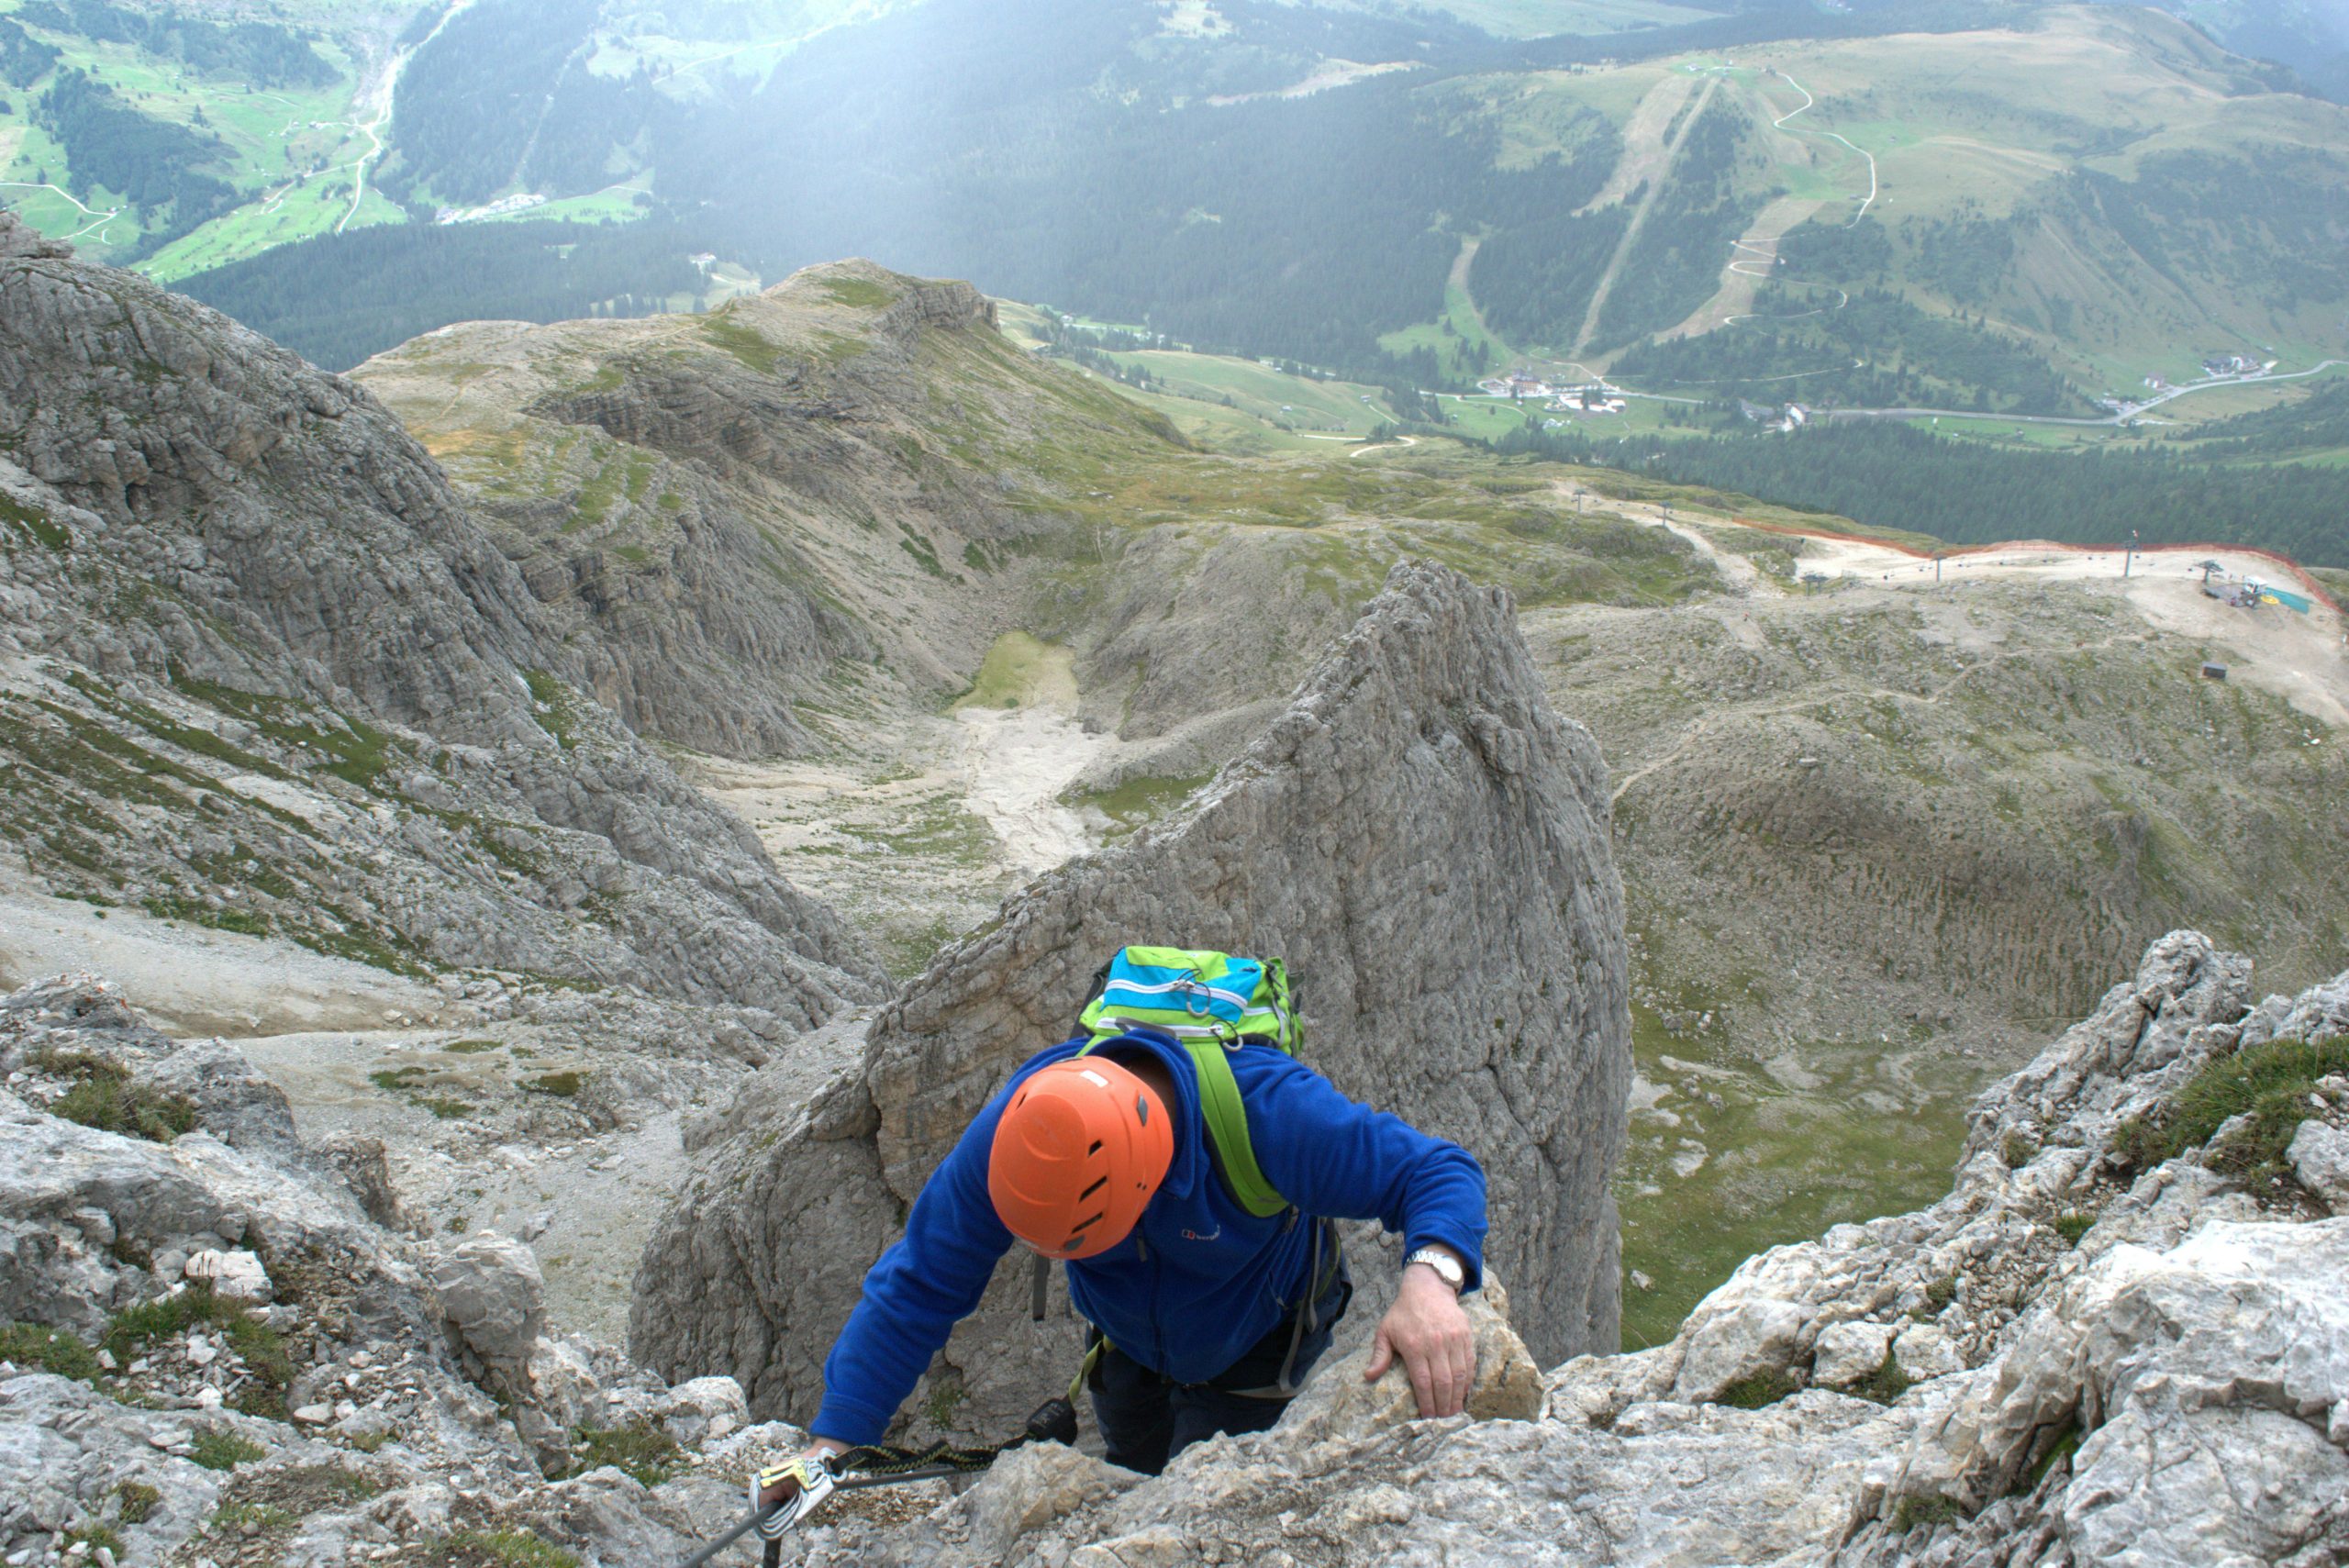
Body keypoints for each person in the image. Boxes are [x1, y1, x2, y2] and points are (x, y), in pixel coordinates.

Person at [771, 1024, 1487, 1489]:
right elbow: (919, 1284)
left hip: (1252, 1347)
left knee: (1206, 1502)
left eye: (1084, 1241)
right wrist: (834, 1449)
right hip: (1125, 1344)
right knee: (1137, 1472)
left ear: (1149, 1186)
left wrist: (1431, 1281)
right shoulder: (1023, 1132)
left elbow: (1437, 1171)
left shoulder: (1272, 1114)